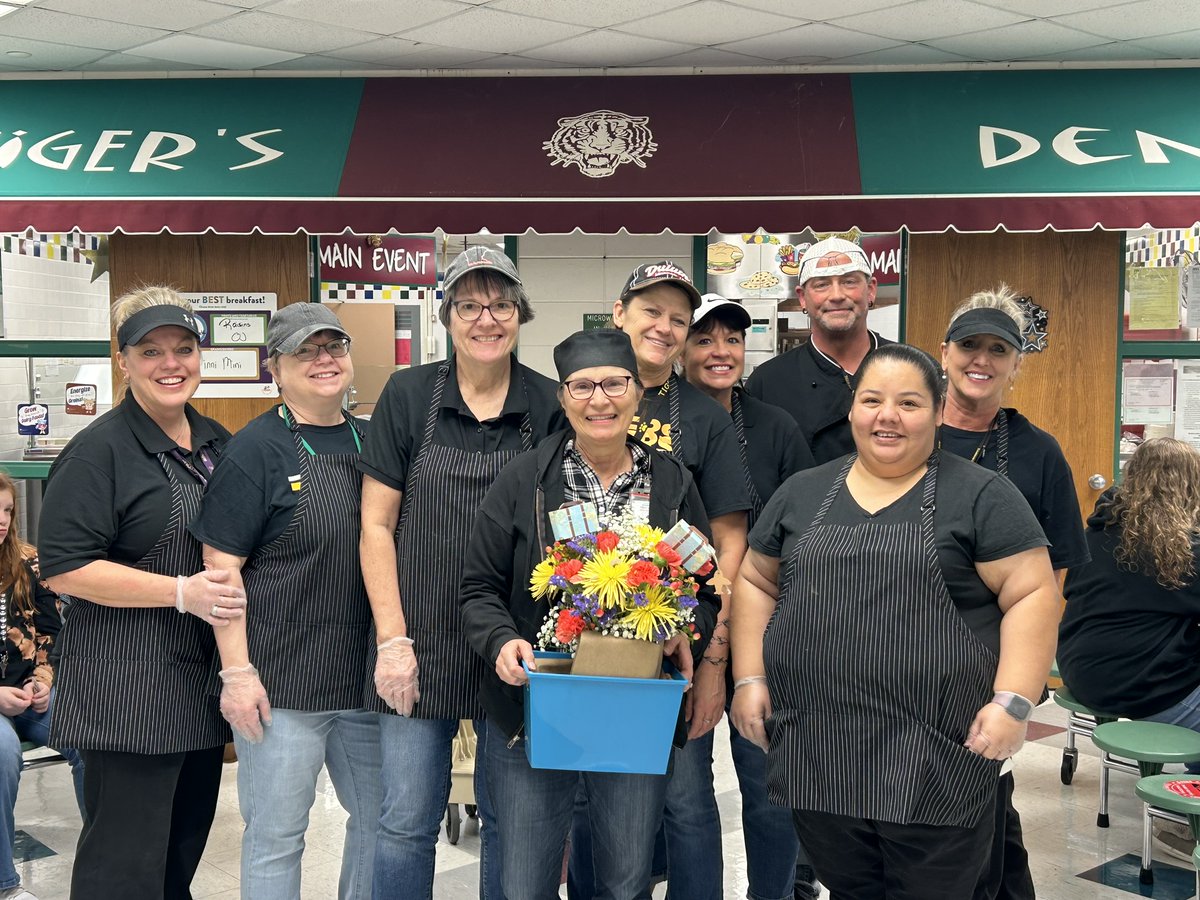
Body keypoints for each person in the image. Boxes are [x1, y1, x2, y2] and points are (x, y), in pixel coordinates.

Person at [731, 343, 1060, 899]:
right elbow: (756, 581)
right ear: (852, 410)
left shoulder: (980, 494)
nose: (887, 416)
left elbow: (1034, 594)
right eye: (872, 400)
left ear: (937, 412)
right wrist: (750, 677)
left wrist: (1013, 702)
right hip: (821, 753)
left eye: (908, 403)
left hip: (936, 754)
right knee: (851, 888)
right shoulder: (805, 492)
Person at [460, 328, 721, 900]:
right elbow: (476, 588)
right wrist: (503, 640)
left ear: (637, 395)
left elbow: (706, 586)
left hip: (634, 709)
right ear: (562, 397)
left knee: (626, 880)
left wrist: (685, 633)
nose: (598, 399)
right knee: (524, 880)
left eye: (614, 383)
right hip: (537, 705)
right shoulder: (523, 479)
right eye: (581, 386)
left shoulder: (672, 481)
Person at [359, 246, 565, 900]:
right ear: (446, 314)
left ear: (519, 313)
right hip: (419, 643)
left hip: (518, 645)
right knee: (405, 822)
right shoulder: (409, 396)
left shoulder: (549, 403)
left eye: (501, 304)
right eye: (470, 304)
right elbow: (375, 526)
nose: (487, 319)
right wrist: (392, 642)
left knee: (516, 826)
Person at [38, 286, 246, 900]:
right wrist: (180, 591)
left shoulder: (216, 444)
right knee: (122, 869)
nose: (170, 363)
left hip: (197, 687)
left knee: (178, 857)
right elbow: (64, 567)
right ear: (123, 359)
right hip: (124, 691)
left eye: (184, 348)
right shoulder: (99, 452)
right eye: (151, 350)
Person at [569, 263, 750, 900]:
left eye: (679, 318)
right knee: (589, 796)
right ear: (619, 314)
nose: (665, 327)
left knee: (686, 798)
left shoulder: (704, 418)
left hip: (676, 645)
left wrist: (711, 661)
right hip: (584, 643)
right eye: (652, 311)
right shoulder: (570, 401)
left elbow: (728, 543)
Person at [190, 304, 379, 899]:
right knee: (276, 835)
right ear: (276, 368)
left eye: (334, 347)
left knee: (381, 824)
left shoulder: (374, 441)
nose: (324, 360)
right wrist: (237, 675)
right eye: (306, 351)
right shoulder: (255, 451)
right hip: (282, 686)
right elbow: (220, 572)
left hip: (367, 684)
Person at [937, 286, 1089, 900]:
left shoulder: (1037, 453)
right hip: (897, 655)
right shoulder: (902, 432)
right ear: (944, 352)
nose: (982, 360)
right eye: (970, 344)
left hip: (987, 667)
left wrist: (1017, 695)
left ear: (1017, 363)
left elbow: (1051, 586)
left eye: (999, 349)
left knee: (979, 807)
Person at [677, 294, 818, 900]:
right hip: (683, 628)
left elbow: (809, 525)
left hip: (766, 633)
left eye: (731, 340)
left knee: (768, 789)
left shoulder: (775, 426)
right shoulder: (660, 424)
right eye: (704, 339)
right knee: (685, 794)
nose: (719, 352)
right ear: (681, 349)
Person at [1059, 438, 1200, 764]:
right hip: (1141, 684)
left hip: (1082, 671)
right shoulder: (1181, 550)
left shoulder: (1095, 533)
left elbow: (1071, 591)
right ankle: (1189, 795)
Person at [0, 473, 84, 900]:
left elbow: (52, 631)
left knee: (90, 738)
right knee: (1, 751)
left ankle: (102, 858)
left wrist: (43, 680)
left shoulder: (29, 561)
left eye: (8, 510)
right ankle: (5, 884)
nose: (1, 520)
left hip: (29, 695)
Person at [745, 237, 893, 464]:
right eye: (821, 284)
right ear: (803, 298)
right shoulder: (767, 383)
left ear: (871, 290)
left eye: (849, 282)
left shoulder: (909, 368)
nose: (836, 295)